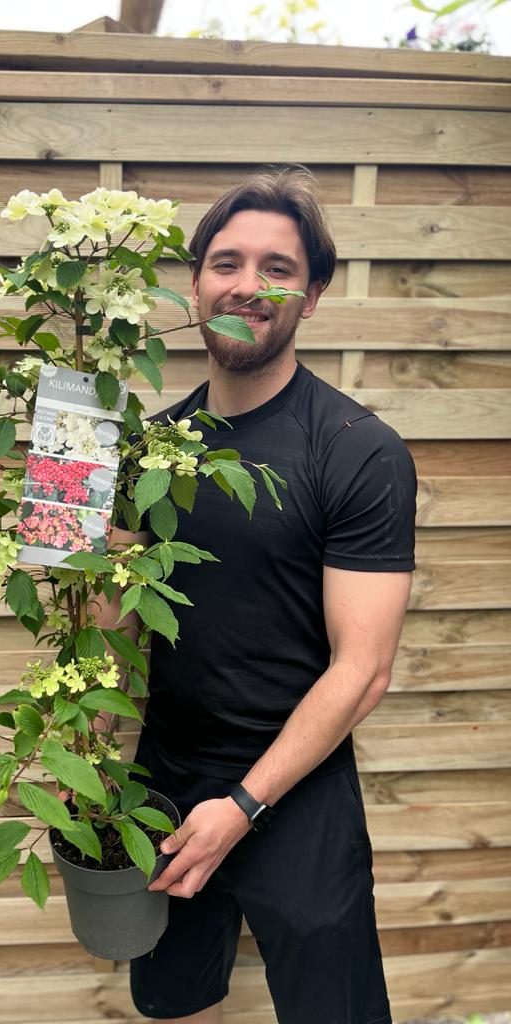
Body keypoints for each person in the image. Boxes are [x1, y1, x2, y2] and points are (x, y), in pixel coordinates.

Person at [105, 163, 417, 1024]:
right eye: (227, 262)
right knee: (171, 1001)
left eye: (277, 269)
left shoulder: (358, 450)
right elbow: (113, 621)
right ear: (195, 280)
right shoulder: (147, 450)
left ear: (310, 296)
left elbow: (364, 669)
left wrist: (242, 806)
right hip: (162, 781)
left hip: (297, 791)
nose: (247, 285)